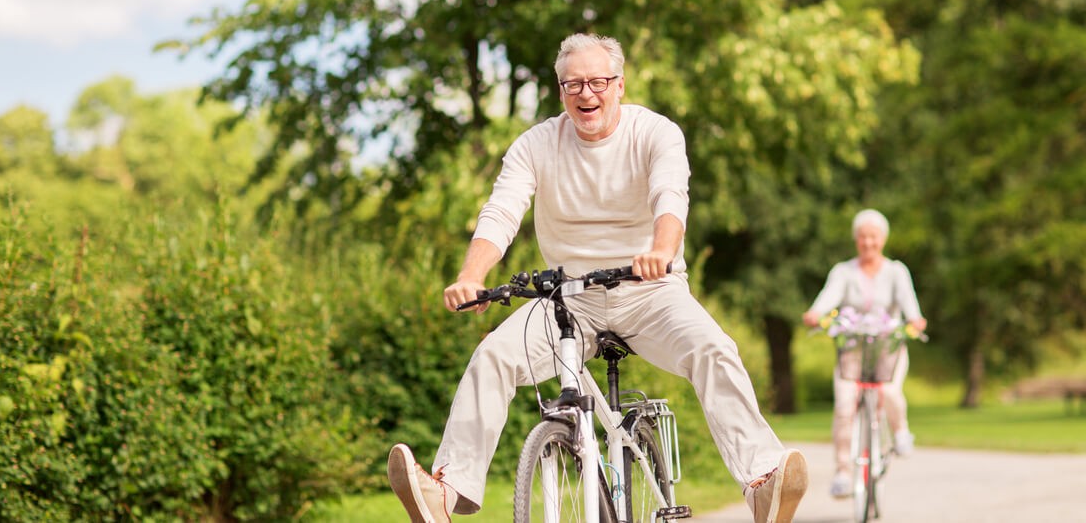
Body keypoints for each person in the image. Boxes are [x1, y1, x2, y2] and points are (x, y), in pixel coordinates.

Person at [386, 33, 808, 523]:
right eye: (573, 85)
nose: (586, 93)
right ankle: (447, 490)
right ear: (560, 91)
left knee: (713, 349)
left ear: (620, 86)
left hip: (649, 289)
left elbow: (671, 195)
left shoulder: (655, 133)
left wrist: (661, 251)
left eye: (597, 82)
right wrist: (471, 276)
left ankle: (762, 481)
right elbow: (501, 211)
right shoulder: (536, 144)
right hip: (568, 299)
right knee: (492, 357)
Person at [801, 208, 927, 499]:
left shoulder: (897, 271)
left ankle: (900, 431)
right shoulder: (844, 271)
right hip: (853, 350)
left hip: (888, 348)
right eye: (862, 237)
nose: (868, 243)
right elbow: (828, 297)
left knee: (890, 392)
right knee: (845, 405)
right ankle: (843, 472)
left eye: (873, 237)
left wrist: (915, 320)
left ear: (882, 239)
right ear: (856, 240)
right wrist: (816, 313)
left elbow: (910, 306)